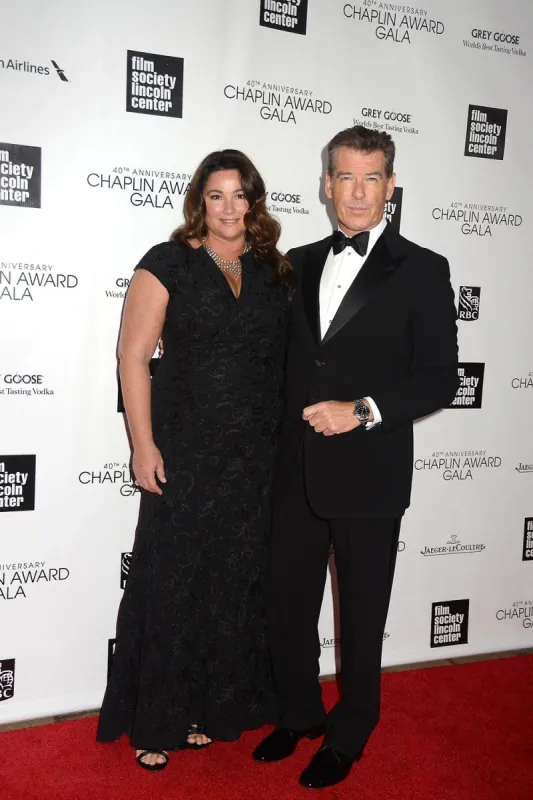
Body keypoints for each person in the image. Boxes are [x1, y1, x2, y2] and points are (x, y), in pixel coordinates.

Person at [252, 125, 459, 789]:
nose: (357, 192)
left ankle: (350, 731)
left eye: (372, 178)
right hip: (291, 472)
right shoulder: (297, 263)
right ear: (324, 184)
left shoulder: (423, 268)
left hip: (369, 472)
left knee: (362, 615)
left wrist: (361, 410)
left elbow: (438, 379)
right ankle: (298, 710)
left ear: (390, 187)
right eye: (344, 176)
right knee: (288, 604)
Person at [97, 149, 294, 770]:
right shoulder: (168, 264)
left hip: (253, 461)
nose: (230, 208)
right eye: (217, 195)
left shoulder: (273, 271)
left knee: (232, 585)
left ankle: (210, 707)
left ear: (254, 201)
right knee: (172, 584)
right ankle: (157, 722)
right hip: (183, 453)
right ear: (199, 202)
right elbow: (133, 358)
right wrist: (143, 444)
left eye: (241, 195)